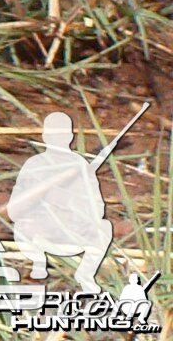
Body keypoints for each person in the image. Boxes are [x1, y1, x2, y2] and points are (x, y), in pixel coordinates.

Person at [10, 112, 115, 293]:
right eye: (53, 135)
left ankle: (85, 274)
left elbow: (97, 206)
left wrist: (73, 207)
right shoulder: (34, 164)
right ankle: (38, 263)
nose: (59, 139)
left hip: (73, 231)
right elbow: (14, 210)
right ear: (44, 136)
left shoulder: (81, 165)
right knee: (22, 227)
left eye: (63, 134)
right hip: (41, 231)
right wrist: (42, 199)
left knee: (104, 228)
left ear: (70, 137)